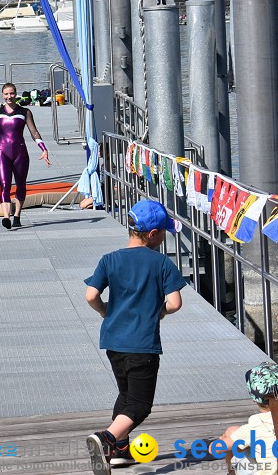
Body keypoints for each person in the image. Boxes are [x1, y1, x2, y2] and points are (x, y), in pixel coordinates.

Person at [84, 199, 186, 475]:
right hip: (142, 344)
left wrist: (106, 311)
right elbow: (175, 303)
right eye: (164, 231)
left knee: (126, 394)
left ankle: (120, 451)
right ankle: (106, 438)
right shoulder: (162, 263)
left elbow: (91, 295)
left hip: (113, 341)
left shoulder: (109, 259)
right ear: (153, 234)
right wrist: (160, 312)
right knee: (140, 405)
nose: (164, 237)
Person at [0, 82, 52, 228]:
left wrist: (43, 148)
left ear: (16, 94)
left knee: (21, 184)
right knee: (4, 185)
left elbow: (34, 132)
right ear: (2, 95)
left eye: (12, 93)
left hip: (20, 153)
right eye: (6, 94)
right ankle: (6, 217)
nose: (9, 96)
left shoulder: (24, 112)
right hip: (2, 152)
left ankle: (17, 215)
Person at [211, 361, 278, 475]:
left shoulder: (255, 426)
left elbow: (215, 450)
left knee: (231, 434)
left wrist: (220, 440)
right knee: (234, 433)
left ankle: (231, 472)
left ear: (255, 399)